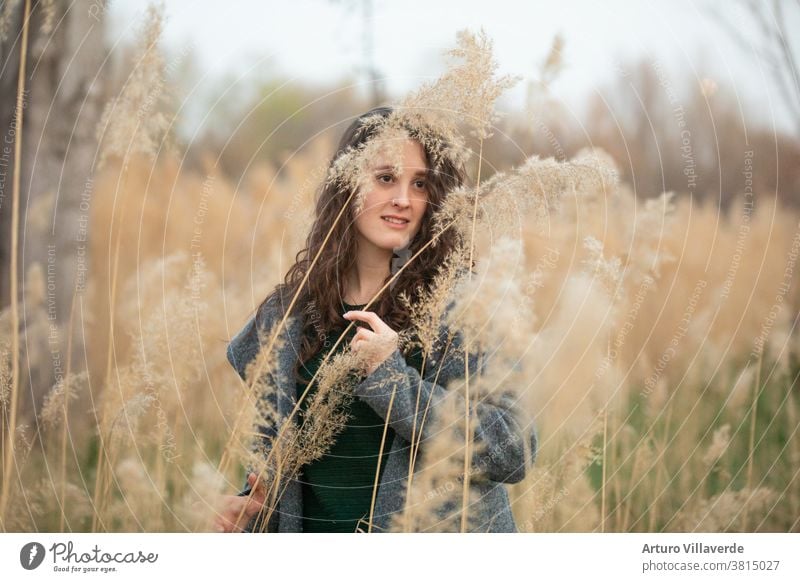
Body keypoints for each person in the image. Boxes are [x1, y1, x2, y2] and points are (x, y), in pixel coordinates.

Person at [215, 106, 538, 533]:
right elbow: (277, 467)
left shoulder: (464, 306)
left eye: (419, 183)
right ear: (346, 184)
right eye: (386, 178)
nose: (403, 199)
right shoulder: (289, 315)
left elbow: (514, 450)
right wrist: (250, 510)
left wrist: (394, 383)